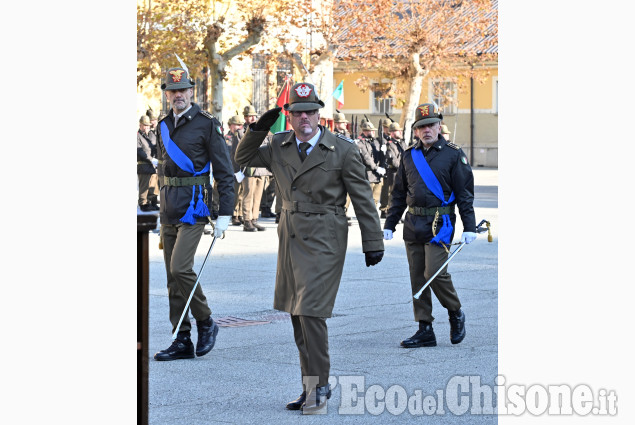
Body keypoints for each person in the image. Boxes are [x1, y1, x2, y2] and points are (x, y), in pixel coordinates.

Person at [235, 82, 384, 414]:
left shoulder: (342, 150)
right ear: (290, 116)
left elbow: (362, 200)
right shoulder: (278, 144)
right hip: (290, 237)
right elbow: (242, 157)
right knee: (296, 312)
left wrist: (372, 242)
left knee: (310, 310)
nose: (305, 118)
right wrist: (259, 128)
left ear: (320, 115)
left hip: (325, 237)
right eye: (298, 112)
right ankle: (310, 384)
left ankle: (319, 387)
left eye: (311, 112)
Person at [153, 66, 235, 361]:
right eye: (172, 91)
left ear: (191, 92)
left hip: (194, 208)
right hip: (169, 208)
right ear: (167, 95)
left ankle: (206, 321)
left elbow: (225, 172)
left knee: (180, 269)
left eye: (182, 90)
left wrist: (225, 211)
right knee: (171, 279)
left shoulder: (206, 124)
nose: (177, 95)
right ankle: (182, 338)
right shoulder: (163, 126)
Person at [383, 103, 476, 348]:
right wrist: (390, 223)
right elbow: (399, 193)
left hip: (440, 224)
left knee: (435, 273)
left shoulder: (453, 154)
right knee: (417, 278)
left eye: (431, 125)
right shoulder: (408, 155)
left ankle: (455, 312)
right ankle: (425, 328)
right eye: (421, 126)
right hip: (413, 223)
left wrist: (470, 226)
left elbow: (464, 193)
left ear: (439, 126)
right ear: (415, 130)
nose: (427, 130)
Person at [240, 106, 269, 232]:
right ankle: (247, 220)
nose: (252, 118)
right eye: (249, 116)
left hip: (261, 168)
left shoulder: (263, 131)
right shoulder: (241, 132)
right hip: (249, 168)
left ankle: (254, 219)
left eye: (254, 116)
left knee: (258, 195)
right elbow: (237, 152)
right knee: (248, 194)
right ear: (245, 117)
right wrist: (237, 171)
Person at [357, 120, 386, 208]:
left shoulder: (376, 142)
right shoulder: (360, 143)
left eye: (373, 130)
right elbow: (366, 158)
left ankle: (373, 219)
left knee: (375, 200)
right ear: (365, 131)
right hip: (367, 175)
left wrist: (383, 151)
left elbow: (380, 157)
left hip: (377, 176)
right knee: (367, 201)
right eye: (371, 131)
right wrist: (376, 168)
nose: (373, 132)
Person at [137, 115, 160, 211]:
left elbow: (157, 146)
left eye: (148, 125)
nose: (146, 127)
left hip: (154, 165)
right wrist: (151, 159)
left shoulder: (152, 134)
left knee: (154, 186)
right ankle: (143, 204)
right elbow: (139, 151)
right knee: (144, 186)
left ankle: (152, 202)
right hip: (144, 164)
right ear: (140, 125)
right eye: (144, 125)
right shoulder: (137, 136)